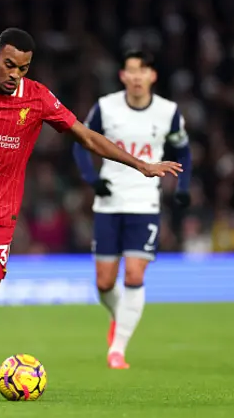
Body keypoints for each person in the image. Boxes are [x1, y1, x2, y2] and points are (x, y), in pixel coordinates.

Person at [0, 28, 183, 401]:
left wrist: (141, 165)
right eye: (8, 65)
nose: (15, 74)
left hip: (0, 217)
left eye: (23, 67)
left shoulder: (36, 97)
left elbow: (86, 136)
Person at [73, 50, 192, 370]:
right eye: (131, 71)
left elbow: (183, 150)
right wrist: (92, 179)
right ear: (123, 76)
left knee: (135, 273)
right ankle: (119, 315)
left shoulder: (168, 112)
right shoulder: (106, 107)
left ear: (153, 76)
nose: (137, 77)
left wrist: (182, 188)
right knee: (103, 283)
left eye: (143, 71)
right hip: (109, 202)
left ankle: (117, 350)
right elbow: (80, 142)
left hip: (144, 202)